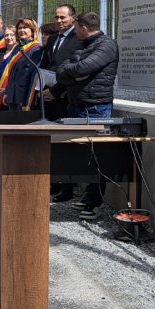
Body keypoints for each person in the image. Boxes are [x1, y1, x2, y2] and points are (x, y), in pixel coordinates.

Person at [55, 12, 119, 220]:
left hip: (95, 107)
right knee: (80, 156)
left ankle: (94, 201)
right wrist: (74, 75)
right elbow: (62, 70)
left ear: (83, 27)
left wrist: (72, 73)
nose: (73, 32)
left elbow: (84, 67)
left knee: (96, 155)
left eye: (75, 28)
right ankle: (86, 197)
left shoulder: (106, 46)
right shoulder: (83, 45)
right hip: (77, 104)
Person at [41, 5, 83, 203]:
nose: (58, 21)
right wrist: (43, 90)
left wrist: (57, 91)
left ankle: (67, 188)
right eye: (56, 17)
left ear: (73, 18)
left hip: (66, 96)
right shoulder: (53, 39)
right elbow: (48, 66)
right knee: (51, 141)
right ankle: (54, 183)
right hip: (49, 95)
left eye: (62, 17)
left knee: (66, 143)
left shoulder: (78, 40)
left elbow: (74, 71)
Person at [9, 18, 43, 111]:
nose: (21, 30)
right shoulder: (17, 48)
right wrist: (7, 93)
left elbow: (32, 73)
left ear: (32, 30)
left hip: (25, 94)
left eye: (25, 27)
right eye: (19, 28)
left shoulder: (36, 48)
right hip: (13, 94)